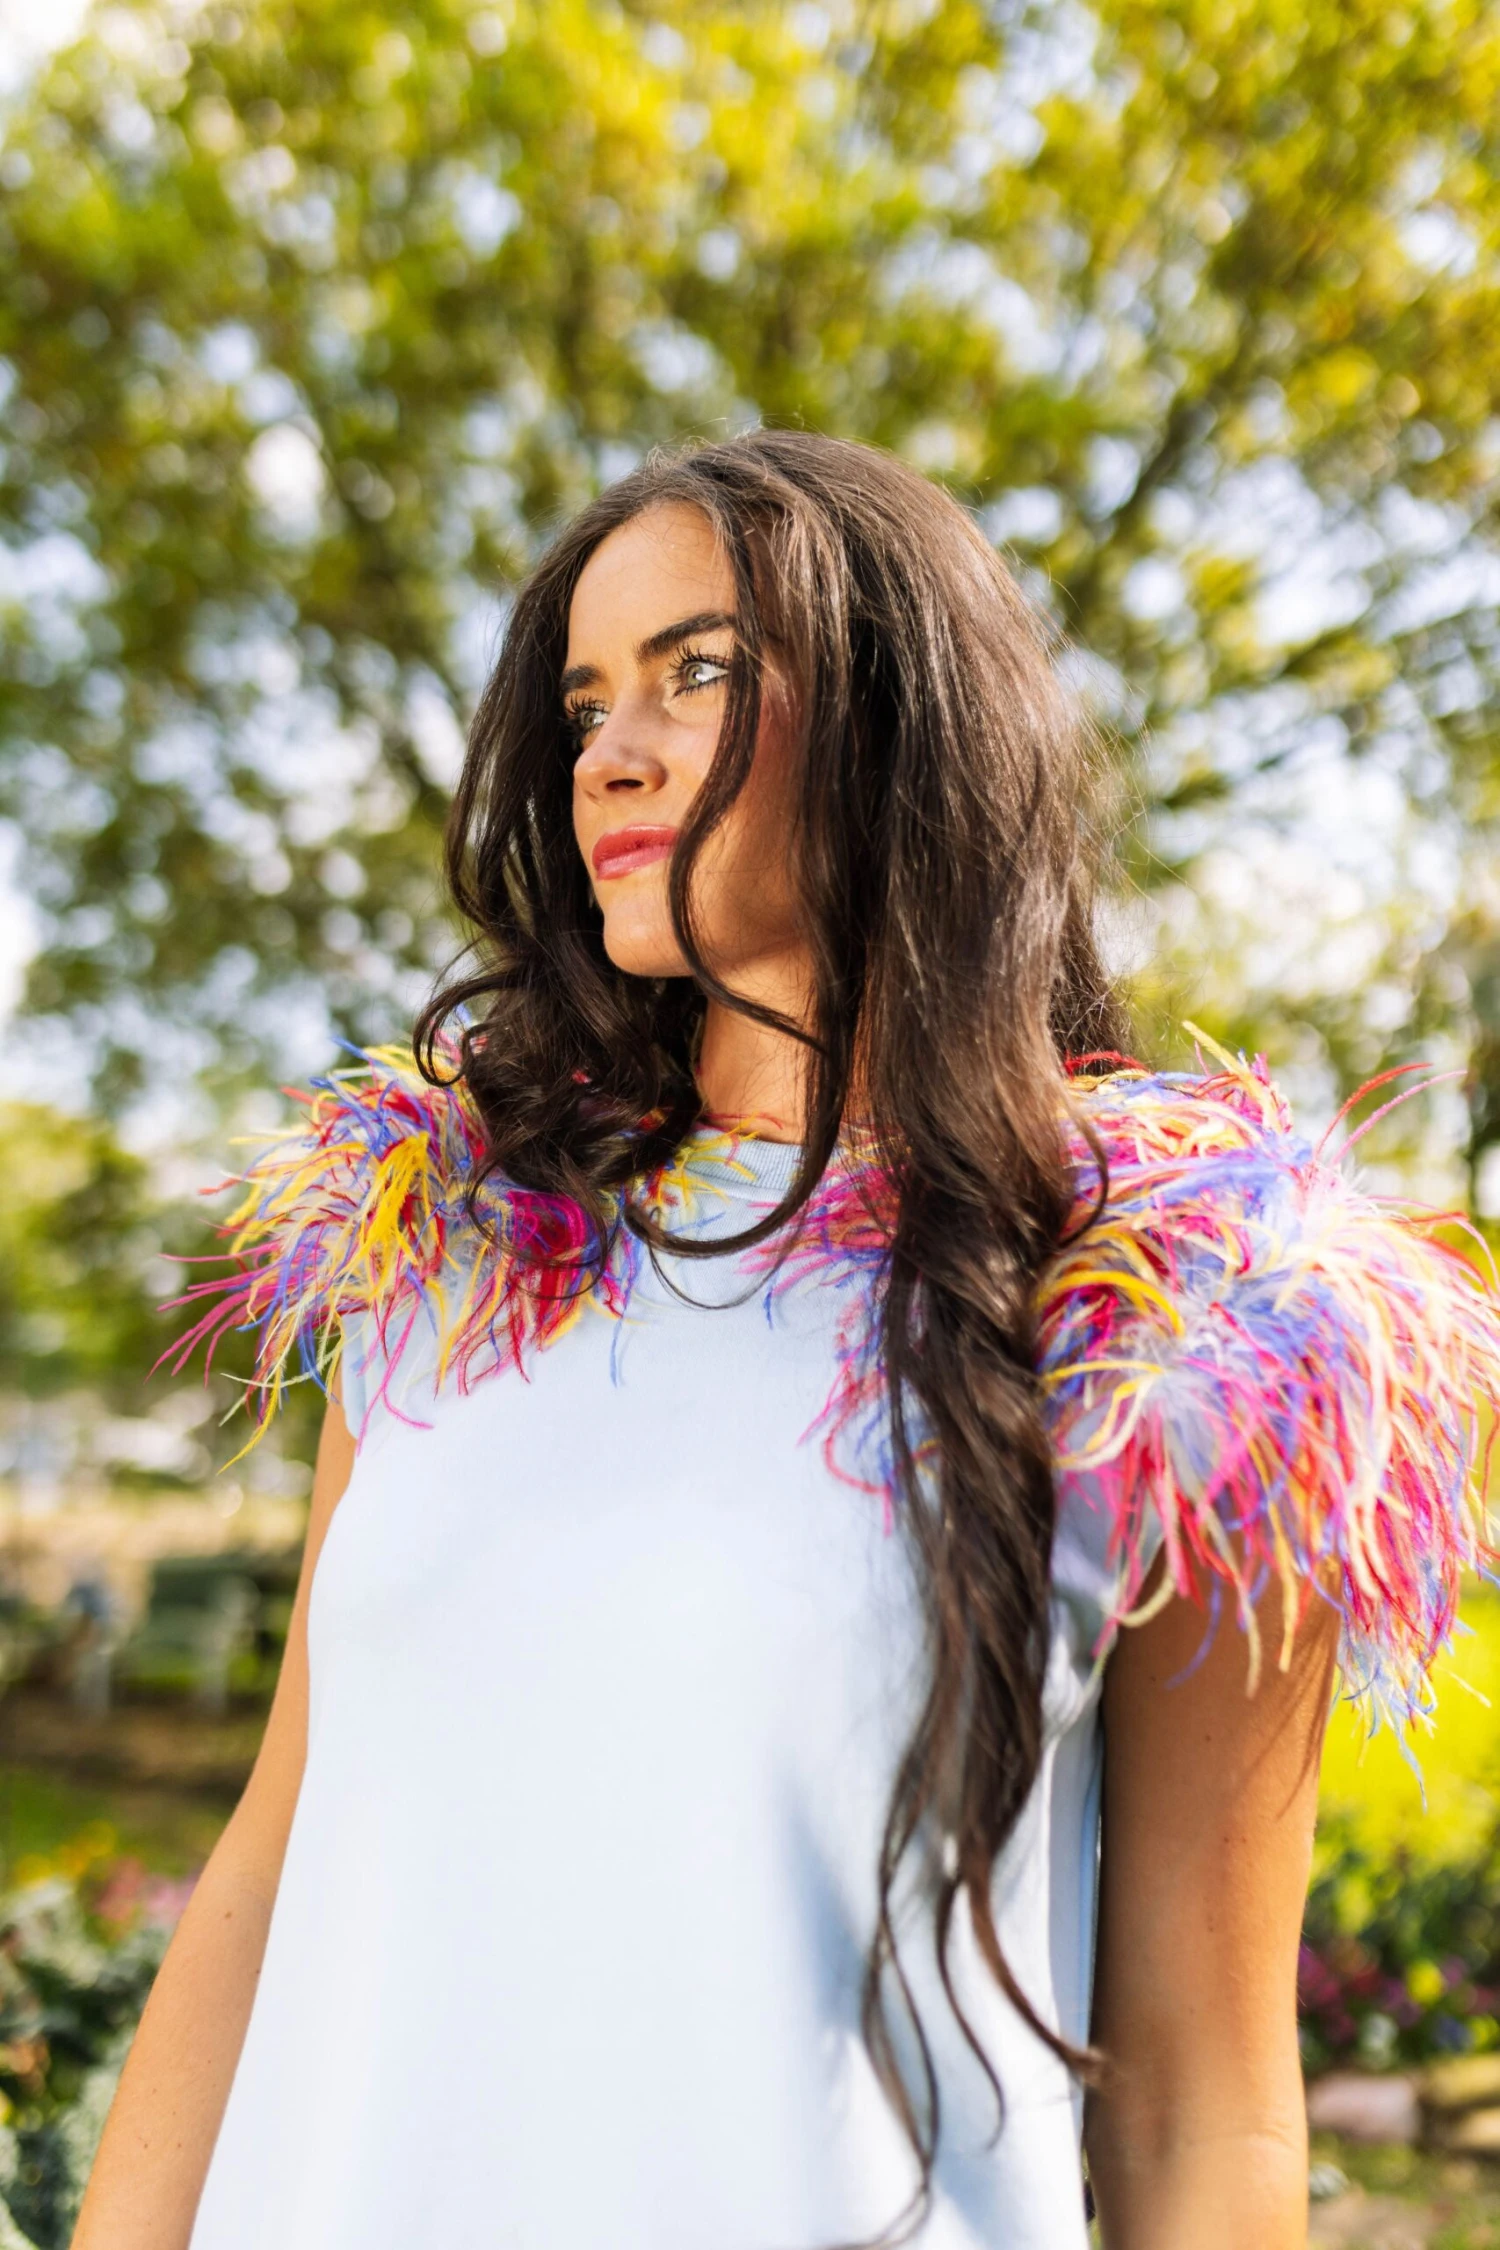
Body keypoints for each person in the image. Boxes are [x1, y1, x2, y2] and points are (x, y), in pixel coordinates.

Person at [75, 431, 1500, 2250]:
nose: (613, 748)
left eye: (701, 670)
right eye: (587, 697)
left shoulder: (1186, 1330)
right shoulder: (444, 1254)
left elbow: (1204, 2104)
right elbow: (270, 1870)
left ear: (912, 717)